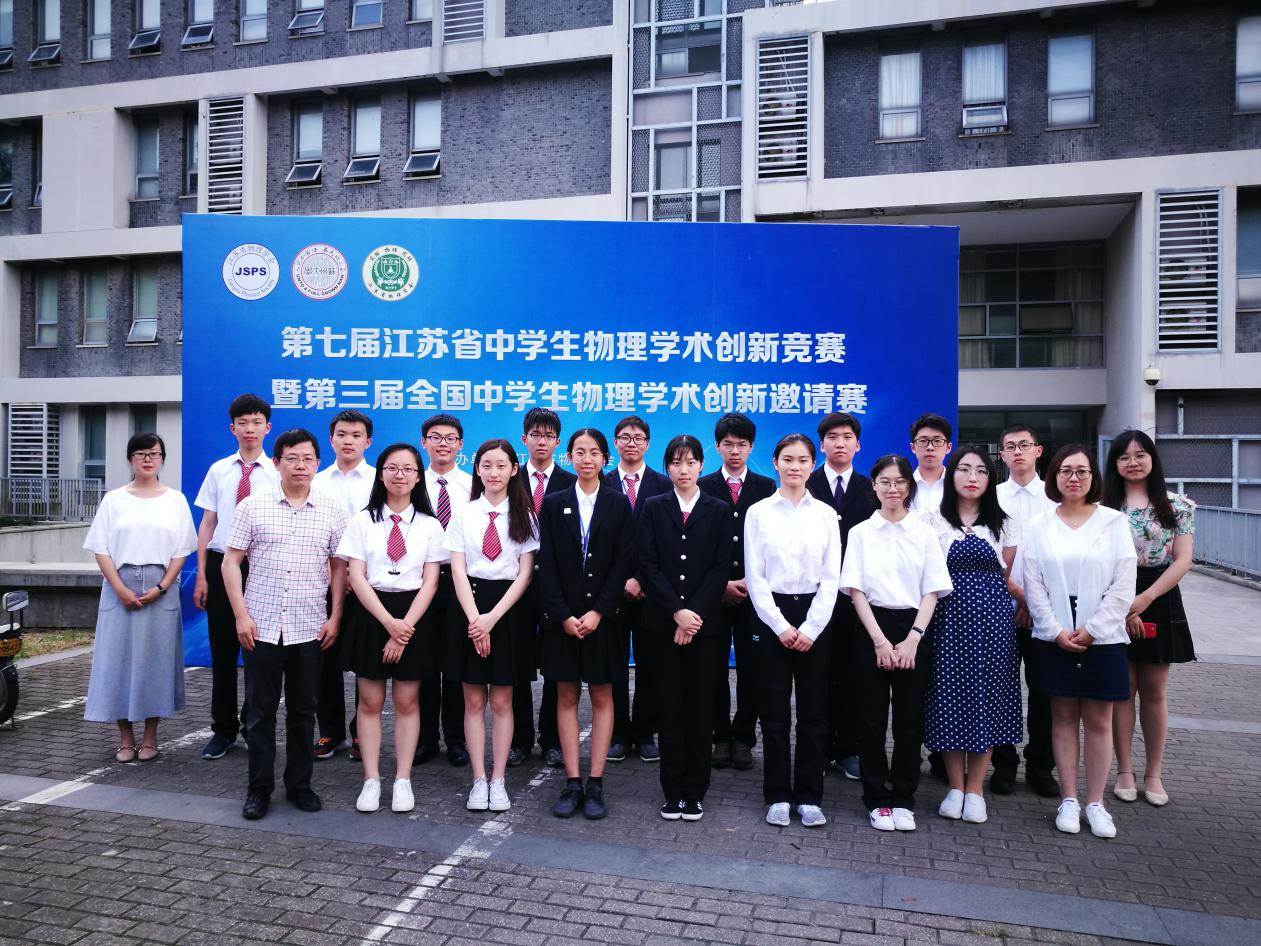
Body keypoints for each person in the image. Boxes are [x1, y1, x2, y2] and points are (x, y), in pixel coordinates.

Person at [223, 429, 348, 821]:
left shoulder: (332, 509)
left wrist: (335, 616)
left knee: (303, 710)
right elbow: (230, 562)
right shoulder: (253, 506)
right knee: (259, 713)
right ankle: (258, 789)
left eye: (307, 459)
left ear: (317, 463)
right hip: (260, 626)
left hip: (309, 626)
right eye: (292, 458)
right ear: (276, 462)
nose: (300, 465)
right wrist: (241, 615)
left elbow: (339, 568)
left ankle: (300, 785)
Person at [1023, 444, 1137, 839]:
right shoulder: (1039, 523)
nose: (1073, 478)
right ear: (1054, 476)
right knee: (1063, 717)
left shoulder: (1113, 522)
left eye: (1082, 471)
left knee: (1100, 720)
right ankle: (1069, 799)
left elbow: (1123, 584)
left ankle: (1096, 803)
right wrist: (1055, 629)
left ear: (1093, 477)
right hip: (1053, 633)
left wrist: (1093, 629)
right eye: (1065, 471)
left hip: (1102, 636)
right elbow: (1033, 583)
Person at [840, 454, 951, 833]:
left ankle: (904, 797)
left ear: (909, 487)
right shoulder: (861, 532)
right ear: (874, 486)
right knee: (870, 720)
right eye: (884, 481)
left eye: (899, 481)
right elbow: (855, 591)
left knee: (909, 721)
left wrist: (912, 640)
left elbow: (932, 590)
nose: (892, 488)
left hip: (914, 628)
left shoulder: (923, 532)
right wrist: (879, 642)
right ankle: (875, 798)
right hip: (870, 626)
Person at [335, 444, 445, 814]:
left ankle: (402, 779)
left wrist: (404, 628)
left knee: (407, 702)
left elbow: (431, 582)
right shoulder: (362, 522)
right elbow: (355, 576)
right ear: (381, 474)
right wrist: (388, 624)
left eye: (408, 469)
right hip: (372, 613)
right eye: (392, 468)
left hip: (414, 614)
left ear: (418, 476)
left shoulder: (430, 525)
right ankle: (371, 779)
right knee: (369, 702)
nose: (400, 475)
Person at [921, 447, 1022, 825]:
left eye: (981, 471)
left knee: (988, 699)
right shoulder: (931, 520)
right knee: (948, 697)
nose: (972, 477)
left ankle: (976, 789)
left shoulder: (1004, 523)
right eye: (964, 469)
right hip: (946, 620)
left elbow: (1005, 574)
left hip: (993, 624)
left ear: (990, 479)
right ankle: (955, 786)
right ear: (952, 475)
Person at [83, 433, 197, 763]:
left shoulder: (175, 500)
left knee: (156, 663)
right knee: (116, 661)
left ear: (162, 459)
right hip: (119, 585)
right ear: (131, 459)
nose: (148, 459)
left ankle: (150, 736)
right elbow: (101, 548)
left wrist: (162, 587)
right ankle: (124, 738)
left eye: (154, 454)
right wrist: (120, 588)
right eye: (141, 453)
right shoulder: (114, 499)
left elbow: (181, 550)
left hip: (161, 588)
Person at [746, 434, 841, 828]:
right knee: (774, 713)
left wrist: (811, 627)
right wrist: (781, 625)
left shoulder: (826, 514)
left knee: (814, 713)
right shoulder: (758, 513)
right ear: (775, 462)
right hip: (772, 617)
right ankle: (778, 795)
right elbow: (755, 576)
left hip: (815, 616)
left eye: (802, 460)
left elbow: (832, 576)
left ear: (812, 464)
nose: (795, 466)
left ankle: (809, 796)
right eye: (788, 459)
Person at [537, 428, 633, 819]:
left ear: (605, 459)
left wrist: (598, 612)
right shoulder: (554, 503)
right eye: (580, 452)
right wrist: (563, 615)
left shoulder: (618, 503)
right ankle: (572, 781)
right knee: (565, 696)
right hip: (563, 621)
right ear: (569, 457)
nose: (587, 459)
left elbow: (623, 562)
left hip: (603, 620)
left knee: (603, 696)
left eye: (594, 453)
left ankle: (596, 783)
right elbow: (547, 565)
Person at [637, 435, 733, 822]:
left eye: (690, 462)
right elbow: (647, 564)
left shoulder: (718, 509)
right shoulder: (653, 506)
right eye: (676, 463)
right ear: (667, 467)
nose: (683, 470)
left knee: (700, 707)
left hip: (705, 628)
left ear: (700, 465)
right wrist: (676, 612)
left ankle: (695, 791)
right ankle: (672, 790)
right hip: (662, 626)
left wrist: (693, 615)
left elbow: (721, 567)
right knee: (669, 707)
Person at [445, 439, 539, 813]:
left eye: (501, 465)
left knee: (501, 700)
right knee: (472, 701)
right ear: (477, 469)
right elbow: (457, 569)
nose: (494, 472)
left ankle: (498, 779)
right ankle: (478, 779)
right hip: (469, 607)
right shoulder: (464, 514)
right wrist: (475, 621)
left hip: (508, 611)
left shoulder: (525, 515)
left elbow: (525, 574)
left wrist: (492, 619)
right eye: (487, 465)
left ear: (514, 470)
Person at [1102, 430, 1195, 809]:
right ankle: (1124, 771)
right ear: (1114, 464)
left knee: (1154, 690)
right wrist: (1125, 604)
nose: (1133, 462)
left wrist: (1145, 599)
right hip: (1114, 595)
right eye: (1124, 456)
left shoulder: (1178, 505)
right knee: (1122, 688)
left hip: (1159, 594)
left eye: (1140, 455)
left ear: (1152, 459)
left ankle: (1154, 773)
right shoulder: (1103, 506)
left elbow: (1183, 560)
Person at [193, 393, 279, 761]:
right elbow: (207, 524)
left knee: (258, 653)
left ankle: (252, 723)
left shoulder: (277, 472)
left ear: (267, 427)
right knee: (223, 652)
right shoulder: (219, 470)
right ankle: (223, 729)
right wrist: (201, 575)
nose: (249, 429)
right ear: (232, 428)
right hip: (220, 563)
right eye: (242, 423)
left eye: (256, 422)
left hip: (261, 566)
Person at [698, 412, 775, 771]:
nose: (734, 451)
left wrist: (748, 582)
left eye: (741, 444)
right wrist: (721, 585)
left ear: (751, 447)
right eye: (728, 444)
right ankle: (719, 737)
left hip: (754, 595)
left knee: (752, 668)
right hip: (712, 595)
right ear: (717, 446)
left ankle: (743, 737)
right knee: (712, 668)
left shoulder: (766, 487)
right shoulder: (703, 485)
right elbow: (697, 543)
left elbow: (771, 543)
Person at [805, 411, 878, 782]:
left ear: (858, 444)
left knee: (852, 675)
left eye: (847, 437)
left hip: (856, 598)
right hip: (813, 597)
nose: (840, 443)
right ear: (822, 445)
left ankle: (849, 748)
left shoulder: (871, 488)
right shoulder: (805, 484)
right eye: (832, 437)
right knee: (817, 676)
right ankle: (817, 750)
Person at [992, 425, 1059, 798]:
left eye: (1024, 445)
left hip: (1045, 610)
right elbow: (989, 554)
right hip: (1000, 607)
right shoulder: (992, 496)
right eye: (1010, 447)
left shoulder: (1054, 496)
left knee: (1044, 690)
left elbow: (1058, 556)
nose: (1017, 452)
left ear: (1038, 450)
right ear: (1001, 454)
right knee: (1002, 689)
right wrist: (1017, 596)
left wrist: (1035, 603)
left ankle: (1040, 765)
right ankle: (1004, 763)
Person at [604, 415, 671, 764]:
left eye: (638, 438)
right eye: (625, 437)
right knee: (613, 665)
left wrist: (642, 579)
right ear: (615, 442)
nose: (632, 443)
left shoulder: (663, 484)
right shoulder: (600, 483)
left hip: (651, 592)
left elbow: (666, 541)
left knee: (651, 665)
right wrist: (620, 581)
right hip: (610, 592)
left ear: (648, 443)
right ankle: (618, 733)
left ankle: (645, 733)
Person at [512, 407, 576, 769]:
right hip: (514, 584)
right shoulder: (509, 478)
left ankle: (552, 739)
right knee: (517, 662)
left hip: (557, 585)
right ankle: (520, 739)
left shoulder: (571, 482)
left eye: (549, 436)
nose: (542, 441)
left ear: (558, 443)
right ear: (525, 439)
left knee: (556, 664)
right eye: (535, 435)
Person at [312, 409, 375, 762]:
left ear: (368, 441)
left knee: (365, 661)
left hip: (368, 583)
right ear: (331, 439)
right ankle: (330, 731)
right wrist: (334, 572)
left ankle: (361, 733)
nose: (348, 441)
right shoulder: (317, 481)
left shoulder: (379, 480)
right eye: (341, 434)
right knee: (326, 658)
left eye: (355, 435)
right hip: (323, 581)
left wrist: (356, 574)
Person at [418, 413, 473, 767]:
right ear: (424, 442)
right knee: (424, 662)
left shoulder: (472, 485)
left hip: (458, 581)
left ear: (460, 445)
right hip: (420, 580)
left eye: (450, 438)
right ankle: (425, 738)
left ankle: (456, 738)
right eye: (435, 437)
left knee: (455, 662)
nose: (443, 443)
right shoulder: (411, 481)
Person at [908, 414, 953, 514]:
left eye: (937, 441)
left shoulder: (957, 485)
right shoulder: (903, 485)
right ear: (913, 447)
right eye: (923, 441)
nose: (930, 447)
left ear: (948, 447)